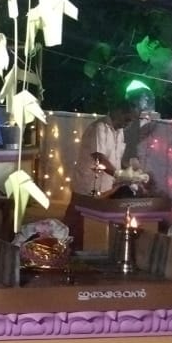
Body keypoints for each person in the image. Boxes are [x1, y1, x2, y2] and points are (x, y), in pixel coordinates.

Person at [64, 99, 140, 245]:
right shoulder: (100, 127)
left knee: (92, 224)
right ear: (117, 111)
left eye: (131, 121)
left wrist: (131, 171)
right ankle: (62, 248)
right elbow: (99, 156)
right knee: (74, 220)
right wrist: (119, 175)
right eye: (127, 119)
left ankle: (84, 249)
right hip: (88, 183)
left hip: (106, 185)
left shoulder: (119, 131)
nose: (128, 123)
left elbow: (116, 157)